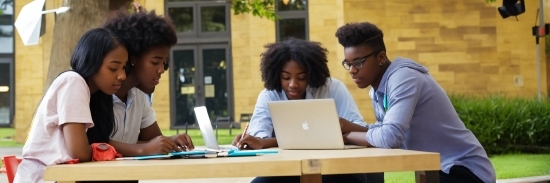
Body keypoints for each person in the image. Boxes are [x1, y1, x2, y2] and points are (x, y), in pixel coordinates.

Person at [335, 22, 497, 183]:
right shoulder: (379, 89)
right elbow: (386, 130)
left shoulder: (404, 78)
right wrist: (348, 128)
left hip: (464, 170)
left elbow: (390, 137)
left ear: (381, 57)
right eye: (348, 64)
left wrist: (349, 136)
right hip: (438, 171)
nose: (352, 70)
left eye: (358, 62)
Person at [232, 38, 372, 183]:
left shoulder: (333, 88)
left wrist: (344, 127)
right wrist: (252, 141)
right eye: (286, 77)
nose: (293, 84)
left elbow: (361, 130)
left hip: (337, 168)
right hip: (288, 170)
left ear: (312, 74)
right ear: (276, 75)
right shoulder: (269, 95)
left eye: (302, 78)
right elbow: (260, 138)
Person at [14, 28, 128, 183]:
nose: (122, 76)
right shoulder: (73, 81)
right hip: (42, 176)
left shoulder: (96, 97)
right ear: (91, 61)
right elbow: (79, 153)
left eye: (124, 67)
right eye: (113, 68)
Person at [102, 9, 194, 157]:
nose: (162, 70)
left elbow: (152, 141)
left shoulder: (138, 96)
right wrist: (144, 149)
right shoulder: (99, 94)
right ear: (133, 58)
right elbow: (95, 143)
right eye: (155, 62)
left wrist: (169, 141)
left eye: (164, 63)